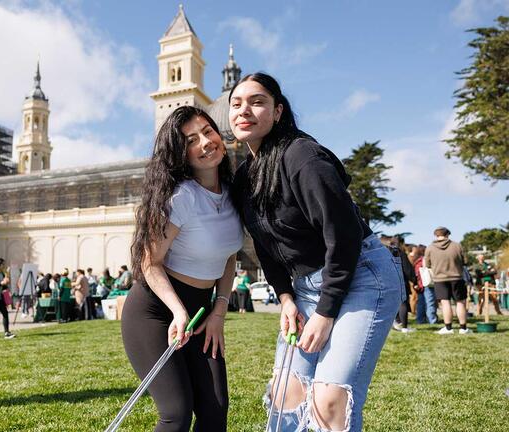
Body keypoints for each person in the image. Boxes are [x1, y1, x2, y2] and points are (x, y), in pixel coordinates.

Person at [228, 73, 403, 432]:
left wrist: (325, 312)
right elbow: (265, 244)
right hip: (305, 288)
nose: (244, 110)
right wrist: (286, 297)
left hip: (360, 276)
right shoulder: (245, 177)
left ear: (278, 111)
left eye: (257, 101)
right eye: (236, 103)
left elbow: (344, 235)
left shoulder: (301, 156)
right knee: (284, 393)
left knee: (328, 400)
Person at [122, 106, 243, 431]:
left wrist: (218, 312)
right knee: (177, 412)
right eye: (192, 140)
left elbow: (230, 257)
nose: (205, 142)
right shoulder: (181, 198)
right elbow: (150, 262)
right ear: (181, 153)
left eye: (208, 131)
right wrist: (177, 311)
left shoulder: (234, 195)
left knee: (215, 410)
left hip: (203, 313)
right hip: (156, 310)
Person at [425, 227, 470, 334]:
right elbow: (465, 261)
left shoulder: (430, 248)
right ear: (448, 234)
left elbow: (427, 264)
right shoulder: (457, 245)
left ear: (436, 235)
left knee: (445, 303)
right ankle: (463, 328)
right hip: (457, 278)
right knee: (460, 303)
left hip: (439, 279)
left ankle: (448, 328)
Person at [412, 245, 438, 324]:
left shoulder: (416, 261)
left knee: (420, 303)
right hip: (428, 284)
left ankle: (420, 320)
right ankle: (432, 320)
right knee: (430, 303)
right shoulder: (425, 260)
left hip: (420, 285)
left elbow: (416, 274)